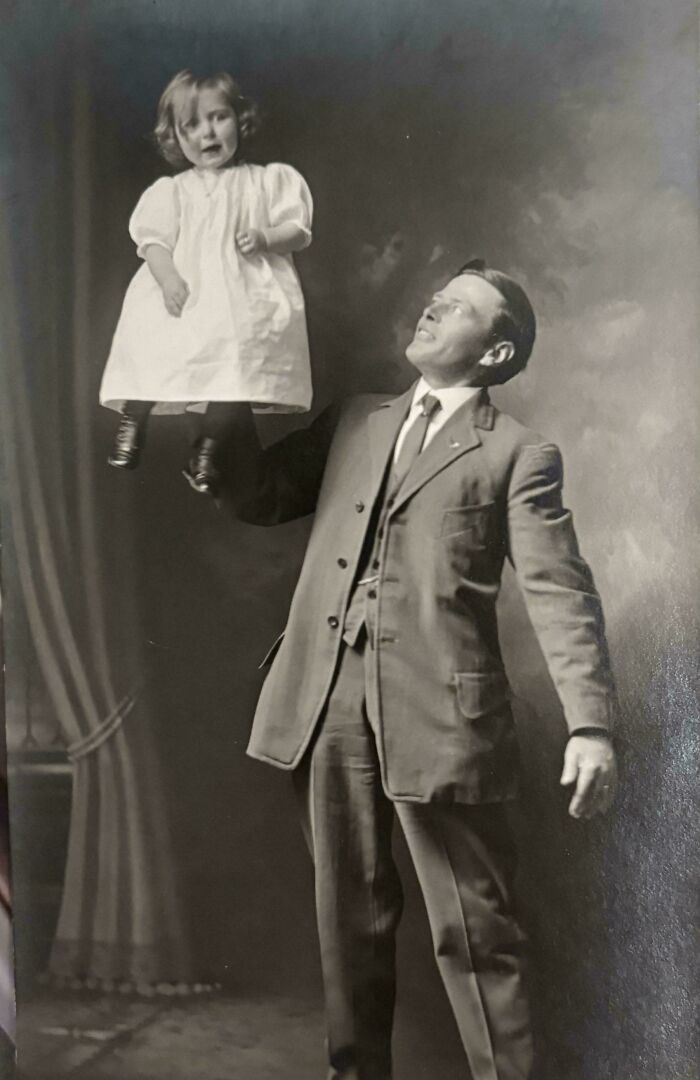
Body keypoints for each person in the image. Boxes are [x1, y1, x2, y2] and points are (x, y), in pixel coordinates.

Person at [221, 260, 619, 1079]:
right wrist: (213, 404)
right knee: (348, 926)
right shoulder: (357, 420)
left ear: (496, 353)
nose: (434, 308)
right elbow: (260, 494)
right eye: (438, 298)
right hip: (325, 701)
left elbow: (559, 590)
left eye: (460, 307)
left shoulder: (519, 454)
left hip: (444, 720)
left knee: (477, 936)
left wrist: (590, 724)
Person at [99, 69, 313, 495]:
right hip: (186, 289)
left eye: (218, 118)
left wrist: (266, 237)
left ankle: (208, 451)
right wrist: (168, 278)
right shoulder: (172, 191)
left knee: (235, 371)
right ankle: (133, 419)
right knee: (154, 347)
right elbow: (153, 241)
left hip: (242, 296)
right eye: (191, 125)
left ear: (240, 119)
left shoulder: (268, 180)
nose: (207, 134)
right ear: (175, 137)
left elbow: (298, 229)